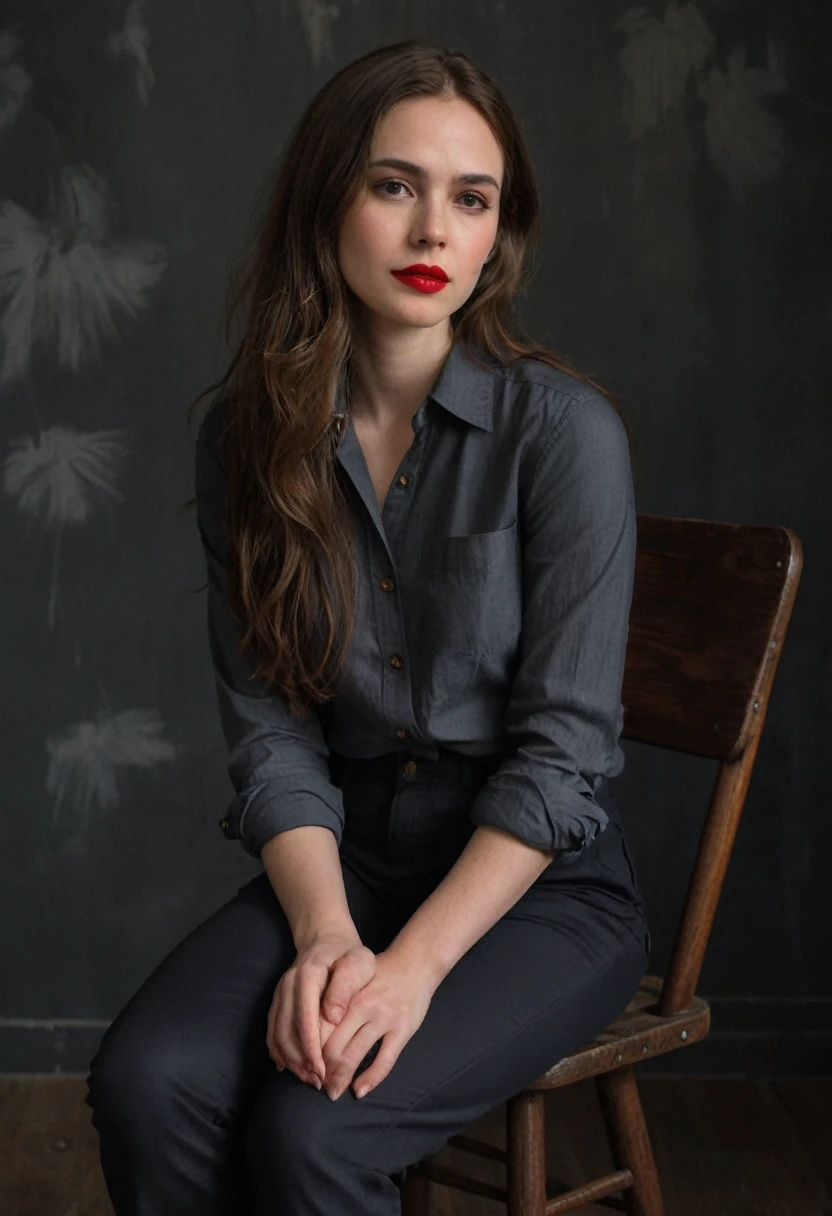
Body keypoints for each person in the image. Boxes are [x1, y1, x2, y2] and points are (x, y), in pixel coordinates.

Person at [85, 38, 651, 1215]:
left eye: (471, 198)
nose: (432, 230)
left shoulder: (565, 436)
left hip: (536, 889)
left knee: (313, 1137)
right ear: (327, 199)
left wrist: (409, 974)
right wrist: (329, 936)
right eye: (395, 185)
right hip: (349, 856)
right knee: (147, 1080)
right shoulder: (246, 441)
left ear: (501, 231)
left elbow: (560, 762)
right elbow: (272, 732)